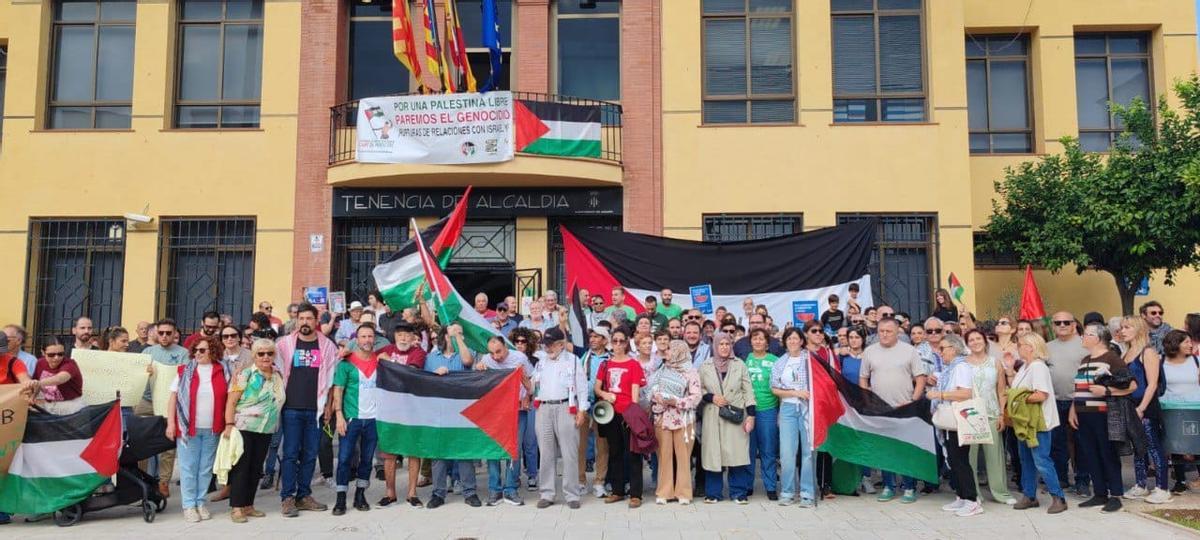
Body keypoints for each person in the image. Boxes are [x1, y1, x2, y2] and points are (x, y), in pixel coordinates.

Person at [275, 303, 337, 517]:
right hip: (291, 408)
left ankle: (303, 495)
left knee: (310, 454)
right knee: (290, 454)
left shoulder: (327, 346)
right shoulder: (284, 345)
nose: (304, 322)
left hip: (316, 409)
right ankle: (288, 497)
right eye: (301, 319)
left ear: (316, 320)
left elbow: (331, 379)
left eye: (309, 319)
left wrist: (329, 406)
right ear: (296, 320)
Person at [165, 334, 232, 523]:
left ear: (212, 350)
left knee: (205, 469)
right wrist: (171, 423)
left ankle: (200, 503)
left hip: (213, 428)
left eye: (202, 350)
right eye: (195, 350)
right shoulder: (184, 371)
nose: (197, 353)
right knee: (188, 468)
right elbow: (173, 399)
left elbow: (231, 397)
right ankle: (189, 505)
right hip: (188, 429)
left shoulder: (224, 370)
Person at [1070, 323, 1136, 513]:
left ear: (1098, 338)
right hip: (1084, 415)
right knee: (1090, 453)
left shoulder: (1112, 359)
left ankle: (1115, 494)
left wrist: (1106, 390)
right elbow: (1080, 388)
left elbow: (1131, 385)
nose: (1083, 337)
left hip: (1104, 414)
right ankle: (1099, 493)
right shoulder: (1085, 359)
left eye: (1087, 334)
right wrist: (1074, 409)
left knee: (1108, 454)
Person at [859, 318, 925, 503]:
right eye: (881, 331)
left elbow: (920, 378)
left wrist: (913, 401)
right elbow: (863, 378)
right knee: (885, 449)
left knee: (905, 449)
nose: (884, 334)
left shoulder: (909, 351)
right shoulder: (870, 352)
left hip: (904, 408)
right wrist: (867, 400)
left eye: (889, 331)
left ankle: (909, 487)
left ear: (898, 332)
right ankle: (889, 486)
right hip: (880, 409)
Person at [1005, 333, 1068, 514]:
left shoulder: (1038, 367)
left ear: (1031, 347)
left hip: (1038, 422)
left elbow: (1041, 394)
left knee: (1041, 460)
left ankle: (1058, 497)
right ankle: (1029, 495)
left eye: (1021, 344)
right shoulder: (1026, 367)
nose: (1018, 346)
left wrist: (1018, 399)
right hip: (1025, 422)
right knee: (1026, 460)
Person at [224, 338, 285, 523]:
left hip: (266, 428)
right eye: (261, 353)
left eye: (269, 353)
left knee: (256, 468)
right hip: (244, 426)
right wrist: (228, 424)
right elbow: (231, 401)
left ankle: (248, 505)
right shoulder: (244, 374)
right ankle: (236, 507)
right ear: (254, 355)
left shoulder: (277, 374)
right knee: (242, 467)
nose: (265, 357)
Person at [530, 327, 589, 509]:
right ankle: (547, 493)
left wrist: (582, 410)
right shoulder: (541, 362)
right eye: (545, 344)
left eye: (551, 344)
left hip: (566, 407)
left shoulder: (572, 361)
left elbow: (582, 386)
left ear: (561, 344)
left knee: (569, 452)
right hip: (544, 408)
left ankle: (572, 494)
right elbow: (533, 386)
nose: (547, 348)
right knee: (546, 453)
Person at [925, 343, 985, 518]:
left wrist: (939, 395)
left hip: (958, 419)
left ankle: (972, 500)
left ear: (953, 348)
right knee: (952, 459)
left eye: (943, 348)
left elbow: (965, 393)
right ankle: (961, 495)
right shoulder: (950, 368)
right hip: (950, 420)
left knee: (960, 460)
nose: (940, 352)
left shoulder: (961, 367)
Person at [424, 325, 479, 509]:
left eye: (461, 332)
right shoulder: (431, 358)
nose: (459, 334)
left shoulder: (467, 351)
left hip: (462, 410)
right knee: (438, 454)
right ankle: (438, 493)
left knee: (464, 452)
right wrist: (434, 375)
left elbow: (467, 360)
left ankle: (469, 492)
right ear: (446, 337)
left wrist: (459, 339)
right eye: (455, 332)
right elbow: (425, 384)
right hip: (439, 411)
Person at [1118, 316, 1172, 504]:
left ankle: (1162, 487)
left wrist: (1141, 408)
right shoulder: (1126, 353)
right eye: (1122, 327)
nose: (1123, 330)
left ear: (1139, 329)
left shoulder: (1148, 352)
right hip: (1129, 405)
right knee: (1138, 447)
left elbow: (1152, 384)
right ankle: (1141, 484)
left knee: (1153, 446)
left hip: (1145, 405)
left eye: (1127, 327)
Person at [698, 332, 755, 504]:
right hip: (713, 415)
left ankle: (738, 492)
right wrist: (711, 397)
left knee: (737, 453)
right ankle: (713, 493)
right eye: (721, 344)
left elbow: (748, 390)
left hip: (735, 414)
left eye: (727, 344)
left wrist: (751, 415)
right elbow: (697, 389)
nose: (724, 347)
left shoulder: (740, 364)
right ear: (715, 346)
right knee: (713, 454)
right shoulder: (705, 366)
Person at [374, 322, 427, 507]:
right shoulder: (385, 348)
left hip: (412, 408)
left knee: (413, 451)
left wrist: (389, 360)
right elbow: (367, 360)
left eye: (407, 335)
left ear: (413, 338)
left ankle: (412, 493)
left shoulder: (418, 353)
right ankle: (390, 493)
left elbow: (410, 374)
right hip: (389, 409)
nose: (403, 338)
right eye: (400, 335)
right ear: (394, 337)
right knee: (389, 452)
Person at [331, 325, 381, 516]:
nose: (367, 340)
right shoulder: (346, 363)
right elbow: (338, 389)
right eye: (363, 336)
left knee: (367, 459)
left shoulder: (380, 361)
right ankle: (341, 497)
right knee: (344, 459)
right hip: (351, 418)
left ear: (374, 339)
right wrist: (339, 415)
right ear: (356, 340)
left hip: (373, 419)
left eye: (370, 336)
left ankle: (360, 494)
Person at [959, 329, 1014, 504]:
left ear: (985, 341)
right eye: (971, 340)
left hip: (991, 412)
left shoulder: (994, 362)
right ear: (967, 344)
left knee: (995, 457)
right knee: (970, 458)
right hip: (969, 414)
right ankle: (974, 493)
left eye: (978, 339)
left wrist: (1001, 413)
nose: (975, 342)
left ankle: (1001, 493)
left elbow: (1001, 390)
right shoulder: (962, 364)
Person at [594, 328, 647, 508]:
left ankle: (635, 493)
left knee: (632, 454)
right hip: (610, 413)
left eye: (621, 341)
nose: (617, 344)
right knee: (614, 452)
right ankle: (617, 490)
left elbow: (635, 394)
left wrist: (631, 414)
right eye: (614, 341)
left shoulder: (633, 365)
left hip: (627, 413)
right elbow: (597, 388)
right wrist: (605, 394)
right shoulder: (605, 365)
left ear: (626, 343)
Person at [479, 336, 534, 507]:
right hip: (494, 412)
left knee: (514, 449)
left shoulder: (520, 358)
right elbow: (480, 383)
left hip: (517, 410)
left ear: (506, 347)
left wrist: (523, 378)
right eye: (492, 353)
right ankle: (494, 489)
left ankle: (510, 489)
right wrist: (478, 369)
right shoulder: (486, 359)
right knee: (493, 450)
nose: (496, 357)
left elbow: (532, 385)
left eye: (499, 352)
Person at [142, 318, 190, 498]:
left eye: (168, 333)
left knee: (168, 445)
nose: (164, 336)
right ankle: (144, 480)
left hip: (170, 402)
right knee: (141, 440)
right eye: (161, 333)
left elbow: (185, 378)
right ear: (155, 333)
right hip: (146, 400)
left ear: (174, 334)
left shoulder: (183, 353)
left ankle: (163, 482)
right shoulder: (148, 351)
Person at [648, 340, 701, 505]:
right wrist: (656, 396)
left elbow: (696, 396)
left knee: (683, 456)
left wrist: (676, 401)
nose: (667, 351)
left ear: (679, 351)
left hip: (684, 420)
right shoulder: (661, 368)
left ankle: (684, 493)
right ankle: (664, 492)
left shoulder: (690, 372)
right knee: (664, 455)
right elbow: (650, 388)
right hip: (662, 418)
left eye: (670, 349)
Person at [1046, 311, 1089, 496]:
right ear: (1053, 326)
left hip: (1079, 400)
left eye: (1066, 322)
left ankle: (1082, 481)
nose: (1062, 325)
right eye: (1058, 322)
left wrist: (1080, 397)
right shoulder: (1046, 347)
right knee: (1057, 442)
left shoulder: (1085, 345)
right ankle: (1061, 479)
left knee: (1081, 443)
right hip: (1054, 401)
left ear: (1074, 325)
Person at [772, 328, 814, 507]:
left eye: (796, 338)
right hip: (788, 408)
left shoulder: (811, 359)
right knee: (787, 452)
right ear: (785, 341)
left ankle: (807, 492)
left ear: (802, 341)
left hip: (808, 409)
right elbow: (774, 388)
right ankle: (787, 492)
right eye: (789, 339)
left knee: (808, 451)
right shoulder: (780, 362)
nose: (793, 341)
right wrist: (795, 392)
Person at [1159, 330, 1200, 493]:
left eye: (1191, 342)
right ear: (1175, 344)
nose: (1191, 345)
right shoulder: (1161, 362)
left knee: (1195, 444)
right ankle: (1180, 481)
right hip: (1171, 407)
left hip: (1194, 407)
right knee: (1175, 445)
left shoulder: (1196, 360)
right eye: (1186, 342)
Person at [742, 328, 779, 500]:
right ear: (750, 341)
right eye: (755, 338)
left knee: (768, 450)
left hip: (768, 410)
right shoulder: (744, 361)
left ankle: (771, 486)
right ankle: (747, 485)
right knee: (748, 449)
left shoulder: (775, 361)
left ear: (767, 342)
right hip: (748, 411)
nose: (758, 341)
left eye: (761, 339)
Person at [579, 327, 612, 495]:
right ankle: (581, 480)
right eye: (590, 336)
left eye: (597, 337)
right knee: (580, 445)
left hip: (603, 406)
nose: (592, 339)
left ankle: (600, 481)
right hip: (584, 404)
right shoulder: (584, 357)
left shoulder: (610, 358)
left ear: (605, 340)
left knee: (602, 445)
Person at [510, 328, 543, 493]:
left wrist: (529, 398)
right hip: (511, 404)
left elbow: (536, 385)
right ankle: (514, 477)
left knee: (530, 441)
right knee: (515, 443)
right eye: (517, 341)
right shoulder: (508, 359)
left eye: (523, 341)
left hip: (530, 404)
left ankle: (532, 474)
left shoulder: (536, 361)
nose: (520, 344)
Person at [32, 339, 84, 415]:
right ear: (43, 353)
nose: (56, 357)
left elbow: (59, 379)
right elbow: (36, 386)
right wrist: (33, 397)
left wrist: (38, 383)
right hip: (48, 405)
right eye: (51, 355)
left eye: (60, 354)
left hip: (70, 406)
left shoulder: (70, 364)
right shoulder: (40, 363)